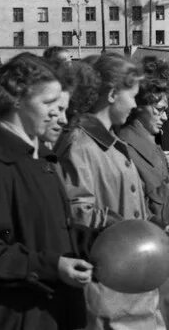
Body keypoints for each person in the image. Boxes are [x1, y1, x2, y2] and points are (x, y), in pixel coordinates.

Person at [0, 53, 93, 330]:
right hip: (11, 318)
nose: (58, 116)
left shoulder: (37, 160)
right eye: (49, 104)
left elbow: (49, 231)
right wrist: (53, 267)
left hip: (43, 313)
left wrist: (94, 242)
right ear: (17, 99)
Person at [56, 53, 165, 328]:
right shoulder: (80, 145)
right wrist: (126, 227)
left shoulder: (112, 142)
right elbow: (74, 210)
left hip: (134, 278)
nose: (134, 104)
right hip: (108, 287)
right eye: (133, 95)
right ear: (114, 94)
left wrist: (153, 226)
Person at [117, 68, 169, 321]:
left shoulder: (150, 143)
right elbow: (142, 208)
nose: (165, 117)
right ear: (139, 108)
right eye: (158, 110)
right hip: (148, 254)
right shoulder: (128, 146)